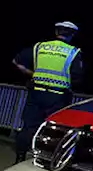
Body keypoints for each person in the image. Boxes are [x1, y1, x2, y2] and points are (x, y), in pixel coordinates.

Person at [12, 21, 84, 163]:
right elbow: (77, 76)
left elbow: (16, 61)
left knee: (29, 126)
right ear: (72, 35)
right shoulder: (73, 52)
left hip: (36, 92)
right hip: (58, 96)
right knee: (54, 128)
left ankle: (19, 157)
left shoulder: (40, 47)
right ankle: (46, 159)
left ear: (56, 32)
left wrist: (32, 74)